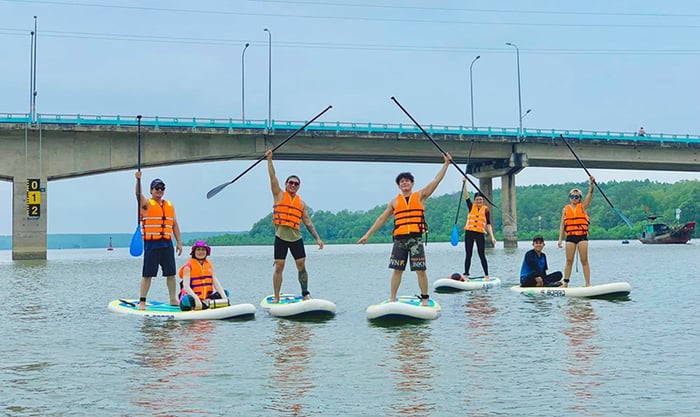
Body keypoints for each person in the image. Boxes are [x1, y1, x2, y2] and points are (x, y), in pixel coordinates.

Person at [357, 153, 452, 306]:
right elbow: (381, 218)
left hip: (415, 240)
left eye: (407, 181)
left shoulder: (421, 195)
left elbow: (436, 180)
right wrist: (368, 235)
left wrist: (446, 164)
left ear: (412, 183)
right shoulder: (394, 202)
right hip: (399, 240)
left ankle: (425, 298)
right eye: (401, 182)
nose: (404, 183)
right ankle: (393, 298)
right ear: (399, 185)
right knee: (397, 270)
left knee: (420, 270)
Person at [266, 149, 324, 303]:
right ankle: (277, 297)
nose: (293, 185)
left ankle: (305, 293)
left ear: (299, 187)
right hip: (280, 237)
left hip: (296, 237)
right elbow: (272, 177)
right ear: (286, 184)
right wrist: (269, 161)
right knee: (279, 266)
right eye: (290, 182)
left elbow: (308, 223)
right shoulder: (278, 194)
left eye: (296, 184)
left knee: (301, 265)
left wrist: (318, 239)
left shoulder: (301, 203)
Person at [135, 173, 183, 310]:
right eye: (157, 188)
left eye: (162, 188)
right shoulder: (146, 205)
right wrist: (138, 180)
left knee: (171, 274)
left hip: (167, 244)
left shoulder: (169, 205)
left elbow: (174, 224)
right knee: (148, 274)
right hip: (152, 244)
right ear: (151, 190)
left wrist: (179, 242)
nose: (160, 190)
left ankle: (173, 299)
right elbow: (138, 194)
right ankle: (142, 301)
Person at [557, 176, 595, 287]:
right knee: (569, 260)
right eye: (572, 196)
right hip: (570, 237)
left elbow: (590, 195)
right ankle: (566, 283)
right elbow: (562, 225)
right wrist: (560, 239)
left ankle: (588, 284)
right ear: (569, 197)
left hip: (582, 236)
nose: (574, 198)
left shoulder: (583, 207)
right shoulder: (565, 209)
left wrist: (591, 185)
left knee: (584, 260)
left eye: (576, 196)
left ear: (580, 198)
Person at [461, 179, 497, 281]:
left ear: (483, 200)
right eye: (477, 200)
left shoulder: (486, 210)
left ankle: (486, 275)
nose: (479, 201)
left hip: (480, 233)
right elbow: (466, 196)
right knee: (468, 254)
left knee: (482, 254)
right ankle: (466, 274)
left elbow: (488, 224)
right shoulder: (471, 206)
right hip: (469, 233)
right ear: (475, 200)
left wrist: (492, 237)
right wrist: (464, 184)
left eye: (480, 200)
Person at [178, 240, 228, 311]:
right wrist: (196, 299)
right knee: (186, 299)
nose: (201, 252)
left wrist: (224, 296)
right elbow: (186, 286)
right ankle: (205, 305)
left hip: (206, 298)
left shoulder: (209, 265)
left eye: (203, 250)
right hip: (192, 298)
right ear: (194, 252)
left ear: (206, 252)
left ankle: (205, 304)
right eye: (198, 249)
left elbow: (216, 283)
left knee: (225, 292)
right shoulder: (188, 267)